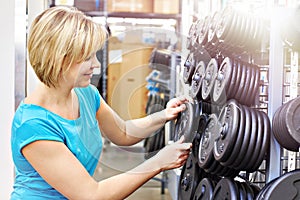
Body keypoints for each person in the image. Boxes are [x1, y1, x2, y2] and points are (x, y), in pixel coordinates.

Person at [10, 6, 192, 200]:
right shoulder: (33, 124)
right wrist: (158, 162)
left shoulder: (86, 94)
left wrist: (164, 115)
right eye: (88, 58)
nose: (96, 65)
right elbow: (91, 195)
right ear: (60, 59)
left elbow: (123, 132)